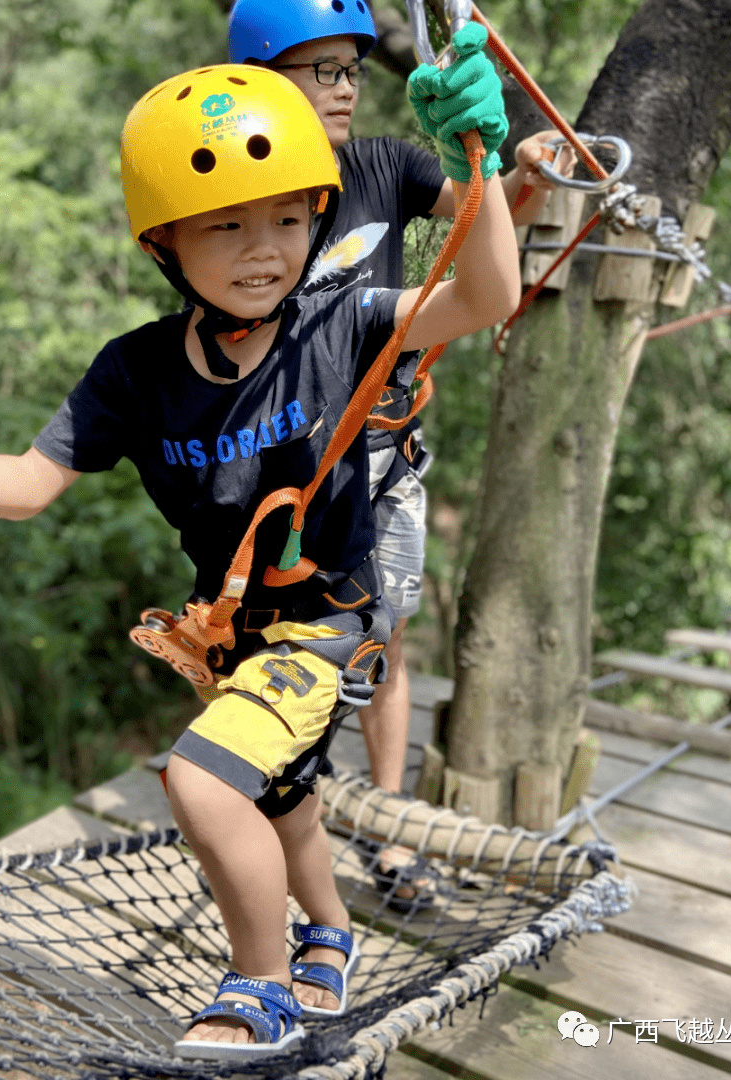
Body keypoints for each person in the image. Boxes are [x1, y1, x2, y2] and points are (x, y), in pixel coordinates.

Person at [0, 44, 519, 1059]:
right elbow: (25, 484)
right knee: (278, 795)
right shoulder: (135, 374)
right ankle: (330, 930)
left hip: (328, 618)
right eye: (226, 225)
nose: (265, 248)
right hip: (229, 629)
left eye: (289, 218)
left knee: (203, 782)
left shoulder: (342, 327)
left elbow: (485, 297)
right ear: (165, 244)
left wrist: (480, 167)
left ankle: (261, 986)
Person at [228, 0, 571, 903]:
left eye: (353, 70)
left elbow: (473, 216)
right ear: (267, 82)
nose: (346, 89)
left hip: (383, 448)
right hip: (289, 469)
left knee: (387, 636)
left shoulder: (382, 163)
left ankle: (391, 832)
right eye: (323, 71)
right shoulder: (244, 199)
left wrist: (502, 164)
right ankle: (278, 823)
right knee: (279, 642)